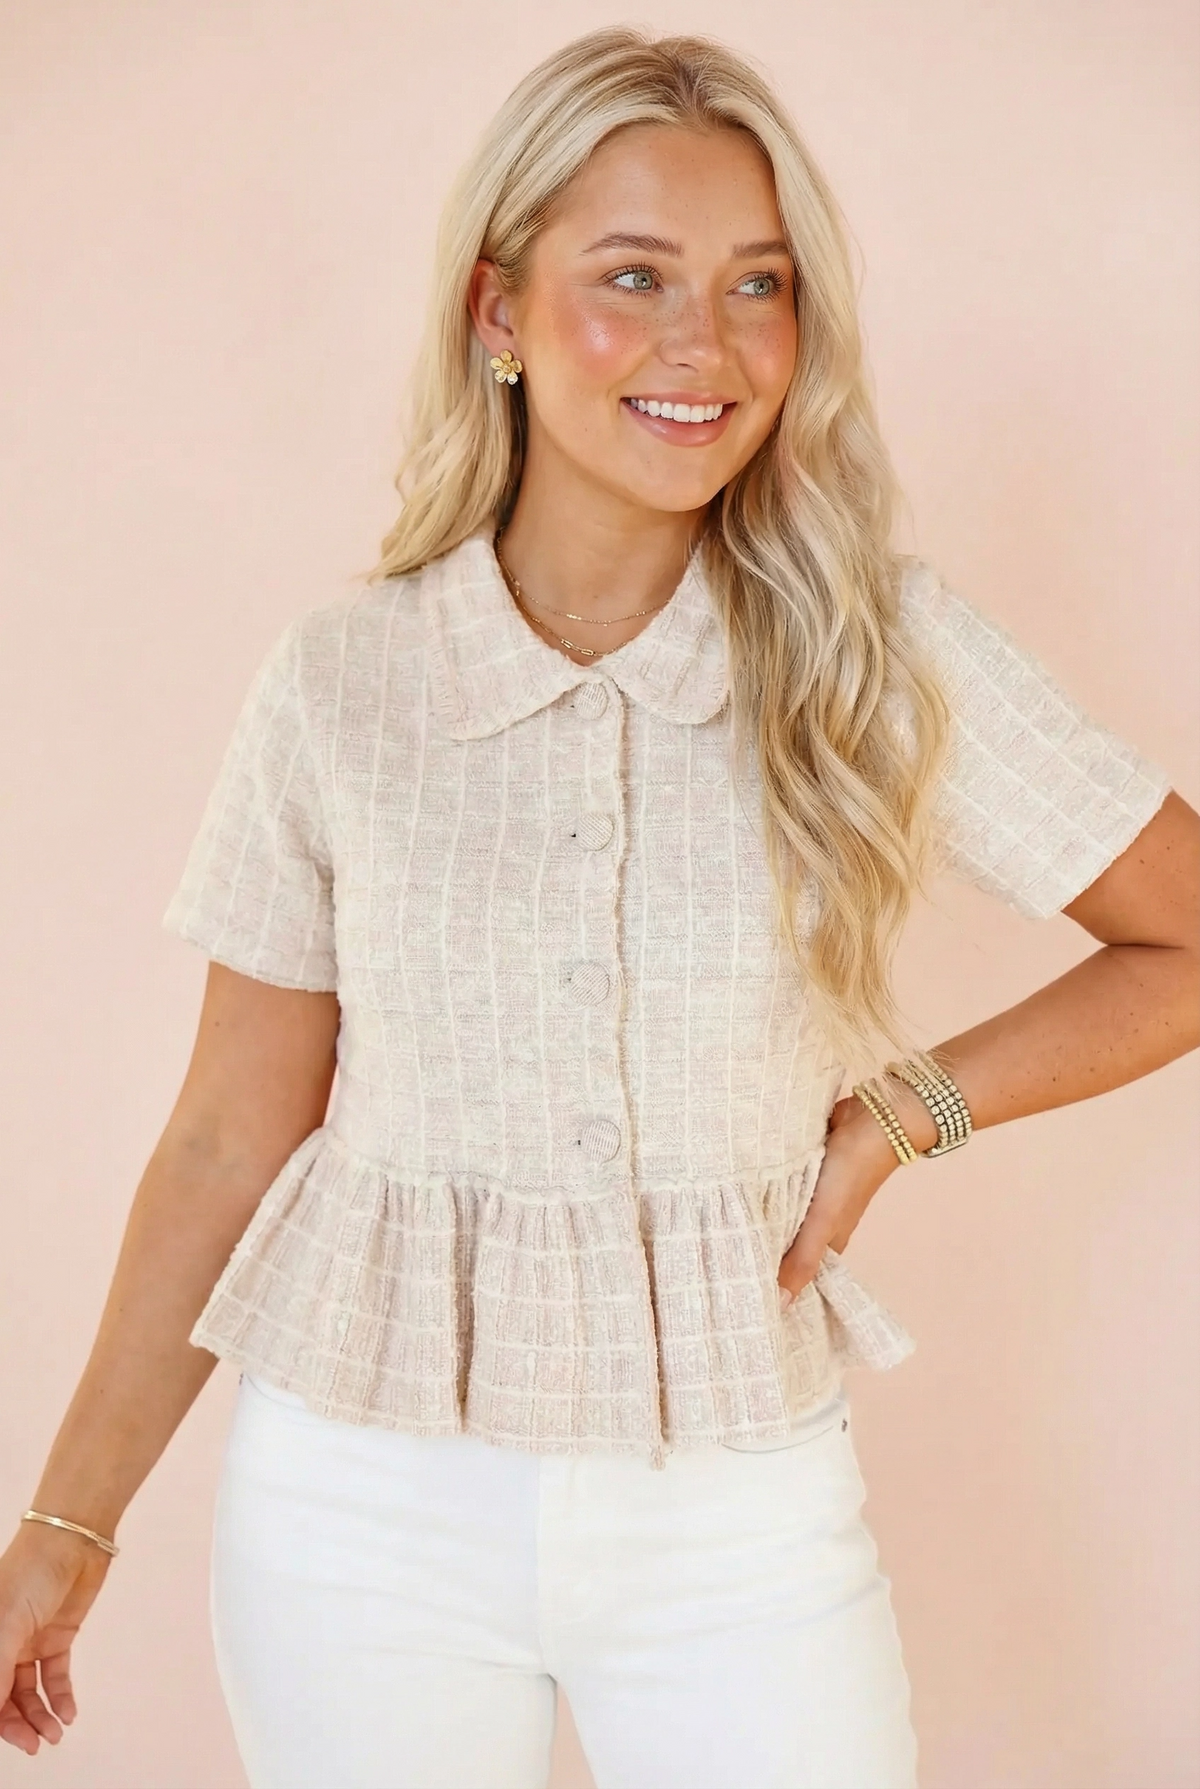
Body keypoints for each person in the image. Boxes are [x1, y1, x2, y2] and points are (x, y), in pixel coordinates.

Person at [2, 26, 1196, 1789]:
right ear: (498, 310)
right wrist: (69, 1521)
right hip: (357, 1511)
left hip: (739, 1509)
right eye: (632, 276)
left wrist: (902, 1115)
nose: (703, 344)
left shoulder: (873, 651)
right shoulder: (344, 683)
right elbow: (228, 1135)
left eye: (756, 285)